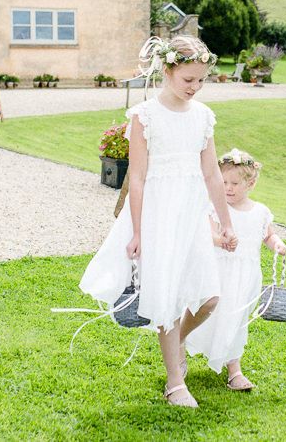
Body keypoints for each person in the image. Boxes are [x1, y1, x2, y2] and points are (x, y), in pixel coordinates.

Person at [79, 35, 237, 408]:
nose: (195, 88)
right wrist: (137, 231)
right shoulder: (145, 116)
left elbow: (213, 173)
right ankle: (174, 382)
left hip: (191, 212)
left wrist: (226, 222)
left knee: (209, 296)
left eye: (201, 80)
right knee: (165, 294)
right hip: (158, 213)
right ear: (167, 70)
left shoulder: (203, 116)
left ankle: (177, 341)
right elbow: (136, 177)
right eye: (188, 80)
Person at [186, 148, 286, 391]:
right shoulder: (217, 208)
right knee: (206, 314)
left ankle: (234, 369)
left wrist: (277, 244)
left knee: (237, 320)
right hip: (218, 272)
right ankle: (180, 350)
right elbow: (207, 233)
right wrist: (220, 240)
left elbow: (268, 235)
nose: (228, 188)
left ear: (250, 183)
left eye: (234, 183)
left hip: (245, 278)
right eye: (223, 182)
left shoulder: (260, 212)